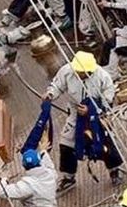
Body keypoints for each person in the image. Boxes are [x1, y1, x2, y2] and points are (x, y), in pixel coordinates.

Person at [44, 51, 122, 193]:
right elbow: (57, 85)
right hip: (75, 113)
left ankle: (114, 170)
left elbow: (108, 97)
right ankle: (69, 177)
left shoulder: (103, 76)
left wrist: (91, 109)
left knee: (105, 141)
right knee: (66, 144)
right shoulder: (67, 71)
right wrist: (50, 94)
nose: (78, 74)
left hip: (97, 114)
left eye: (81, 72)